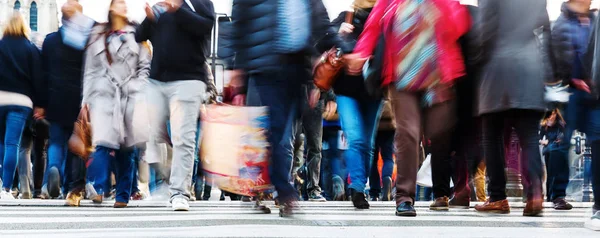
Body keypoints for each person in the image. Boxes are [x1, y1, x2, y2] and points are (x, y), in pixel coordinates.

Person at [348, 0, 470, 216]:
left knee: (440, 130)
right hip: (401, 76)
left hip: (437, 76)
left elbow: (459, 24)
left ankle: (433, 186)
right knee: (408, 133)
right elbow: (373, 25)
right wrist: (361, 52)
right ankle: (404, 198)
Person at [230, 0, 349, 216]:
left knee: (284, 134)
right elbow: (239, 24)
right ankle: (279, 191)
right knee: (273, 131)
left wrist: (344, 47)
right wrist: (236, 68)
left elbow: (322, 26)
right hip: (264, 65)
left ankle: (274, 189)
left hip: (297, 68)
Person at [471, 0, 552, 217]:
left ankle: (497, 197)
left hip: (498, 65)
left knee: (492, 134)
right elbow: (544, 30)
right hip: (530, 65)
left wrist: (476, 59)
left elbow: (485, 29)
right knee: (529, 137)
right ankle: (535, 193)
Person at [136, 0, 215, 211]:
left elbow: (205, 26)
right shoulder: (160, 6)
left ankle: (179, 192)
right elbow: (139, 36)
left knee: (183, 138)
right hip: (157, 80)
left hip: (189, 79)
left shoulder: (199, 3)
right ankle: (162, 179)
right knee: (148, 134)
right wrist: (149, 19)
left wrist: (179, 10)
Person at [83, 0, 151, 208]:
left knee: (126, 148)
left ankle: (122, 195)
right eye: (120, 2)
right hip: (103, 97)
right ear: (112, 7)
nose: (124, 6)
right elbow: (90, 71)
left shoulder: (137, 34)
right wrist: (85, 101)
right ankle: (98, 187)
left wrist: (137, 88)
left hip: (129, 97)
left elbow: (145, 66)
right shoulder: (99, 35)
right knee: (102, 144)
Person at [40, 0, 93, 202]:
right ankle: (71, 186)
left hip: (55, 98)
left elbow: (42, 74)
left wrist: (41, 102)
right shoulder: (84, 43)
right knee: (76, 143)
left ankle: (54, 169)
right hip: (77, 99)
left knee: (56, 142)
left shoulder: (50, 40)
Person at [331, 0, 383, 209]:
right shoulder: (345, 17)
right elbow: (322, 41)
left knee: (368, 144)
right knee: (356, 139)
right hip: (346, 90)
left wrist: (370, 56)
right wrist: (338, 33)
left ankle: (360, 185)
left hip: (373, 91)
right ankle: (358, 189)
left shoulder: (384, 18)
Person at [551, 0, 593, 211]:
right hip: (570, 91)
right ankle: (558, 194)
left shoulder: (593, 20)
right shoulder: (561, 22)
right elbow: (557, 57)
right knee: (562, 143)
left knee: (596, 141)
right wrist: (571, 79)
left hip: (593, 91)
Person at [0, 12, 45, 199]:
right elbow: (38, 79)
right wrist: (40, 104)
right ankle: (6, 189)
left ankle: (1, 181)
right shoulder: (30, 48)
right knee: (13, 143)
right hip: (21, 102)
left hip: (1, 99)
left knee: (2, 143)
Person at [369, 100, 395, 202]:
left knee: (373, 159)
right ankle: (387, 179)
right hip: (389, 122)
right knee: (388, 157)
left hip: (374, 122)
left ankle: (374, 193)